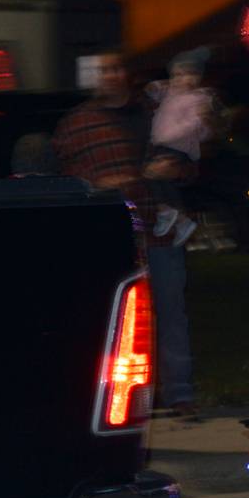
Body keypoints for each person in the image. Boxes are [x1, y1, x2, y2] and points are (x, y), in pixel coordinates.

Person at [53, 50, 198, 418]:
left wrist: (175, 170)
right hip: (111, 236)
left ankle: (179, 394)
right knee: (113, 320)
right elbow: (69, 180)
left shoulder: (154, 113)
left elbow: (190, 163)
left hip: (160, 232)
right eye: (102, 70)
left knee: (170, 313)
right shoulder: (77, 125)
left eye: (117, 68)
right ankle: (113, 399)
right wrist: (106, 184)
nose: (110, 76)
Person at [146, 47, 215, 246]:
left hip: (179, 147)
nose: (182, 79)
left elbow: (197, 127)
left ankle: (170, 212)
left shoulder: (199, 99)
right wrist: (155, 87)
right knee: (158, 180)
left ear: (197, 77)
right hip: (164, 144)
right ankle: (179, 218)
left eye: (188, 74)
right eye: (177, 74)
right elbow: (156, 91)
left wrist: (171, 134)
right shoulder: (171, 94)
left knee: (155, 175)